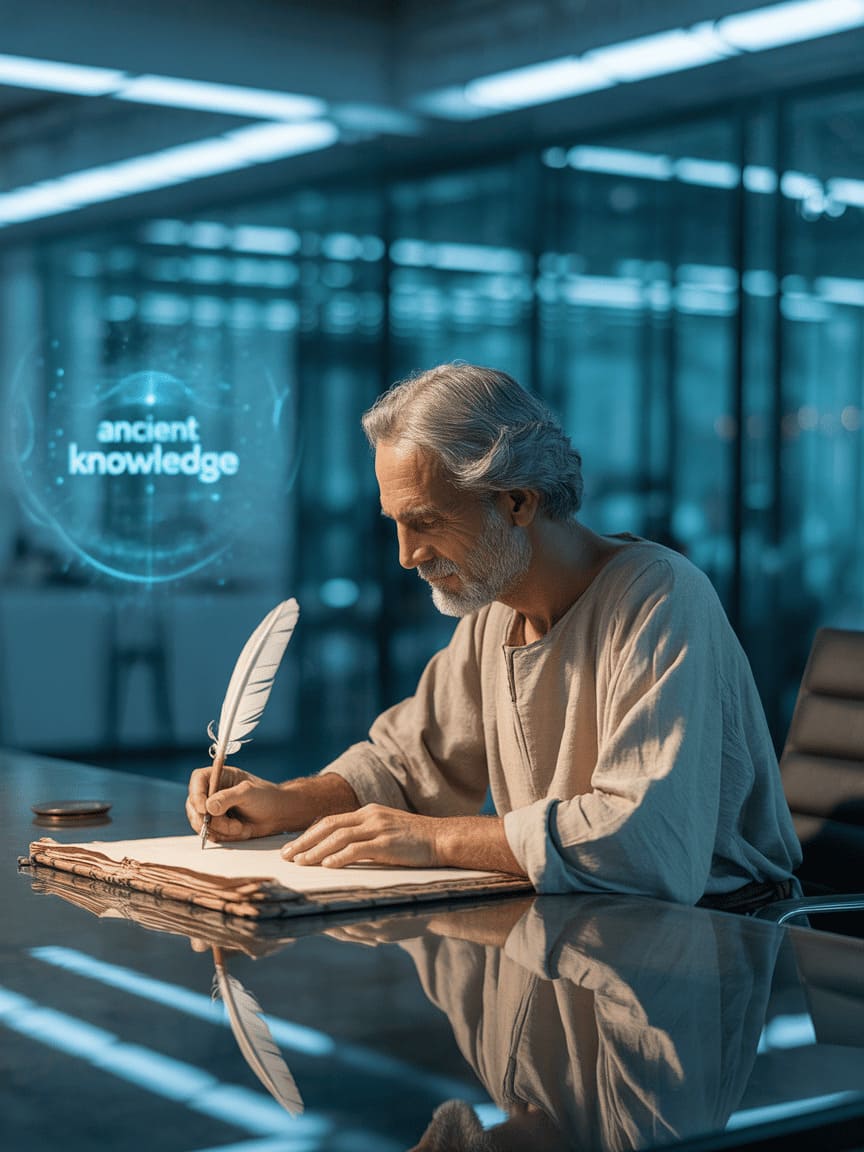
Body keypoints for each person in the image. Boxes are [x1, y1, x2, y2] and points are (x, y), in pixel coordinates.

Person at [186, 362, 801, 910]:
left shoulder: (659, 599)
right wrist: (284, 802)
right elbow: (408, 764)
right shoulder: (493, 609)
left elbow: (645, 844)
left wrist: (434, 839)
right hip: (576, 917)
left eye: (426, 522)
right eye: (396, 524)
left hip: (710, 941)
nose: (406, 556)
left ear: (517, 502)